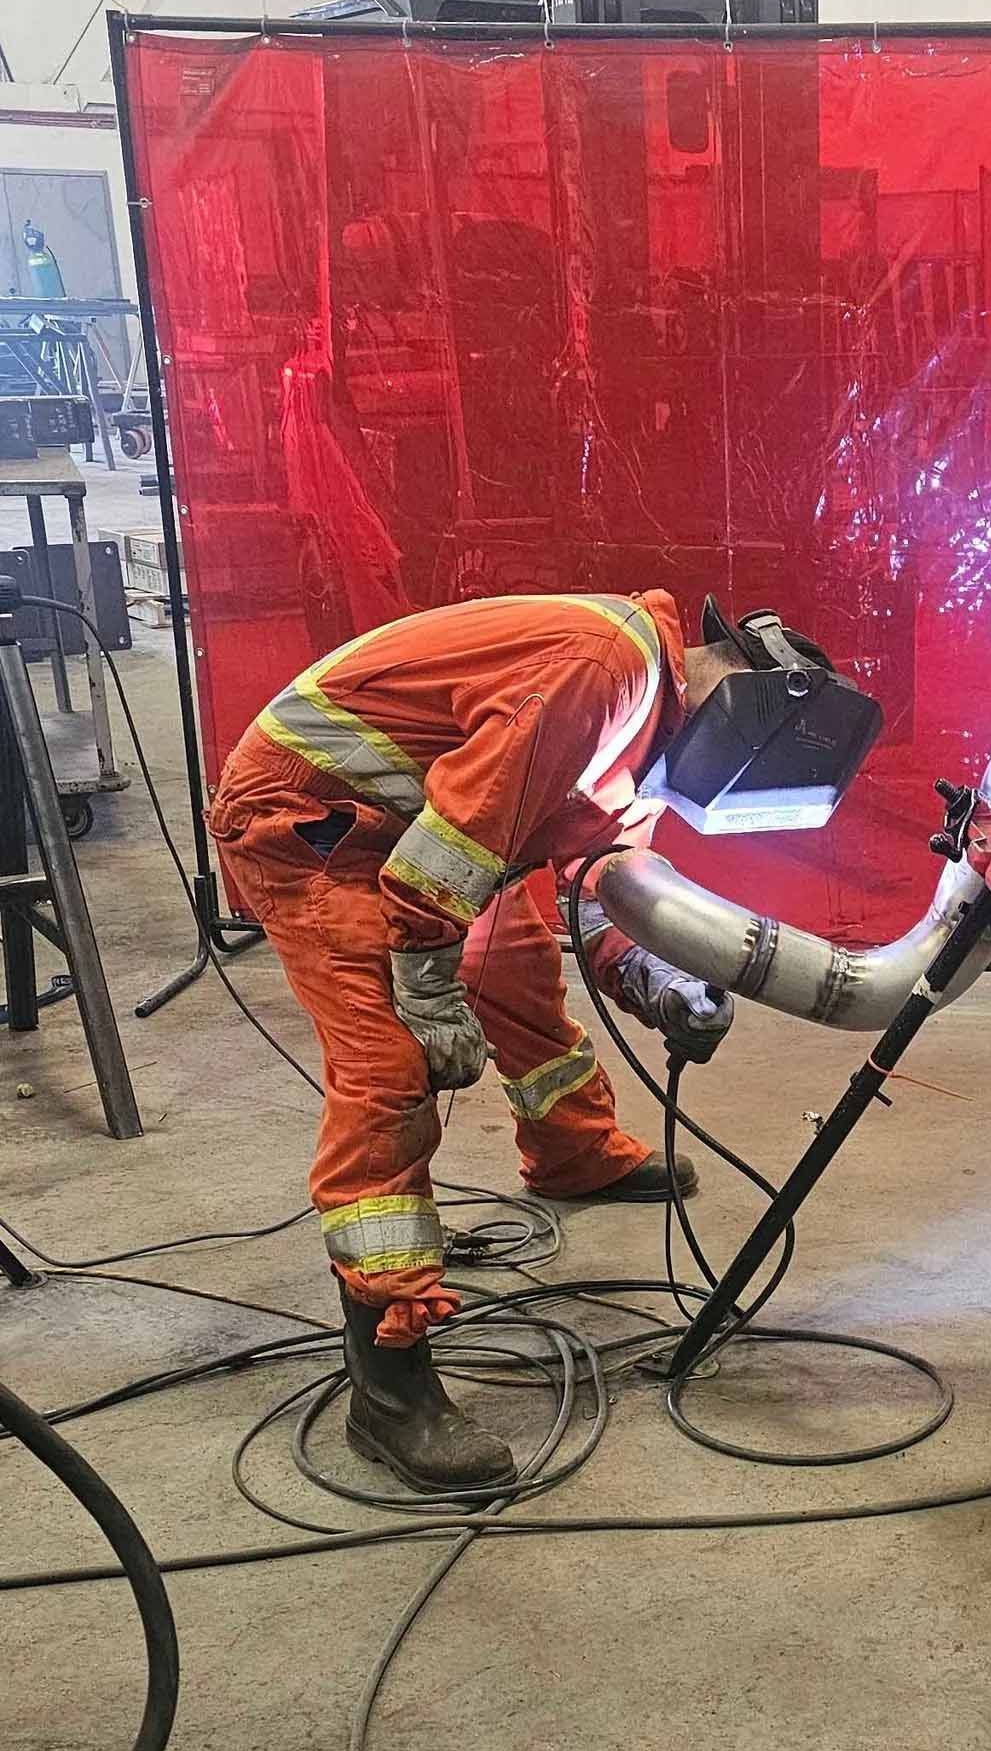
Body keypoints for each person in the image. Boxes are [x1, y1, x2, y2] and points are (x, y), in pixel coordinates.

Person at [209, 585, 738, 1492]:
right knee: (388, 1069)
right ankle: (389, 1389)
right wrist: (426, 988)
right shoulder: (600, 672)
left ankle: (575, 1155)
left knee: (518, 968)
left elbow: (603, 872)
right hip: (311, 826)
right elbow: (455, 843)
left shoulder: (643, 720)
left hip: (413, 832)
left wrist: (656, 974)